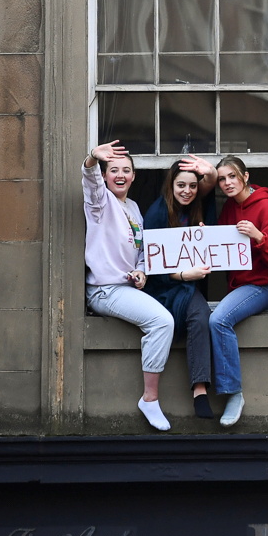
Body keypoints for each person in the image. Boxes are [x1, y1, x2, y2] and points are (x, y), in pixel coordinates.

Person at [82, 140, 175, 431]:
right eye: (113, 170)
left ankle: (150, 399)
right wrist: (92, 160)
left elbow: (143, 251)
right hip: (105, 290)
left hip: (127, 287)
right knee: (162, 322)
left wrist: (141, 272)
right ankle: (150, 398)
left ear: (134, 176)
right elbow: (91, 184)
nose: (119, 174)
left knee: (163, 318)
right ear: (106, 175)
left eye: (126, 170)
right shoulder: (101, 203)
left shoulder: (133, 207)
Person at [141, 156, 219, 419]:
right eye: (181, 186)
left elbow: (211, 182)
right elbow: (153, 268)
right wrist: (185, 274)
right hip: (163, 287)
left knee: (200, 316)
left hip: (189, 286)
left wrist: (203, 238)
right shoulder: (156, 213)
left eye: (192, 186)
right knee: (181, 316)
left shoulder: (199, 208)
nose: (187, 191)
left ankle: (200, 391)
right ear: (170, 187)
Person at [211, 155, 268, 426]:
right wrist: (203, 238)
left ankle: (233, 393)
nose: (227, 183)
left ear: (245, 176)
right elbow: (220, 245)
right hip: (242, 285)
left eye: (232, 176)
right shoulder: (230, 208)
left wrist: (258, 237)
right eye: (222, 179)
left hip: (266, 285)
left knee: (219, 319)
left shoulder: (266, 206)